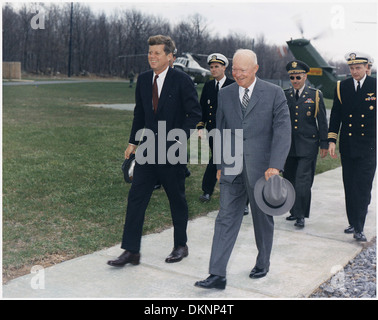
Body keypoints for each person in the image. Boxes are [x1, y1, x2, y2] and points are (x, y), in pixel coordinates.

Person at [195, 49, 291, 289]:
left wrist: (275, 166)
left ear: (256, 69)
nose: (237, 74)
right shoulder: (226, 94)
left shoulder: (274, 93)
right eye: (234, 69)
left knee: (262, 218)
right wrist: (219, 165)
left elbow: (282, 131)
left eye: (243, 70)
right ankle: (217, 274)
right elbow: (220, 130)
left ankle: (263, 262)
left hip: (263, 170)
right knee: (225, 218)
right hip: (231, 167)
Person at [107, 35, 201, 267]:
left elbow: (195, 114)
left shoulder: (182, 80)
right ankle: (131, 251)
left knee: (176, 199)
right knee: (136, 199)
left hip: (172, 151)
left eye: (157, 53)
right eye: (150, 52)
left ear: (170, 57)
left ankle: (181, 245)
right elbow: (140, 113)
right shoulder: (144, 79)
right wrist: (132, 142)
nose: (152, 56)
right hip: (147, 150)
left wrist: (179, 139)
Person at [328, 52, 376, 242]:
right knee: (349, 185)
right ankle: (353, 221)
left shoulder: (375, 85)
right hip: (348, 146)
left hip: (369, 146)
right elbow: (336, 116)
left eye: (358, 67)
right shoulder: (342, 87)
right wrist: (332, 140)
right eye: (352, 68)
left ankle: (359, 227)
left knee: (363, 187)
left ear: (367, 68)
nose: (354, 71)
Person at [283, 60, 328, 228]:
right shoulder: (284, 94)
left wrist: (324, 143)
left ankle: (301, 215)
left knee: (303, 181)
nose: (295, 80)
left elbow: (322, 121)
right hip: (289, 146)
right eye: (292, 77)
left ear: (305, 76)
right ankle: (293, 211)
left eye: (298, 77)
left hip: (308, 145)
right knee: (289, 179)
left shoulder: (315, 95)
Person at [197, 53, 234, 203]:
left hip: (229, 131)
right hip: (212, 130)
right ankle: (214, 190)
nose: (213, 70)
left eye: (217, 67)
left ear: (224, 67)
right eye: (211, 67)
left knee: (220, 159)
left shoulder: (233, 85)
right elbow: (202, 109)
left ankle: (207, 190)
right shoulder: (208, 86)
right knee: (219, 159)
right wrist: (201, 126)